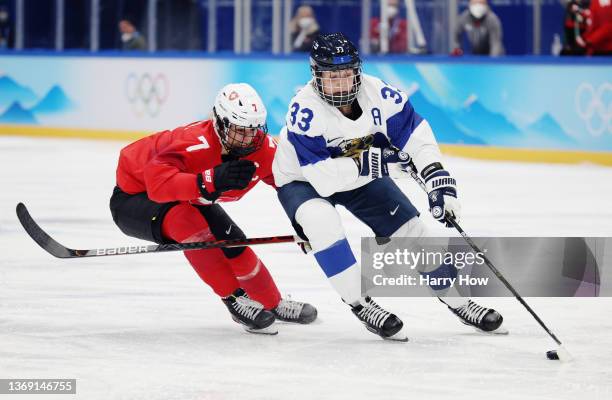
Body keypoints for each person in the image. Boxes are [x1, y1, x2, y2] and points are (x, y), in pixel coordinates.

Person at [272, 33, 506, 341]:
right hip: (303, 180)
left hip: (359, 174)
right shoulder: (304, 109)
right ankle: (360, 302)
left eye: (347, 74)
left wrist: (437, 178)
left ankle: (459, 301)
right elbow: (323, 178)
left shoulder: (380, 93)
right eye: (332, 76)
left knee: (413, 231)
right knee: (323, 224)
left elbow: (415, 133)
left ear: (358, 70)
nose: (342, 84)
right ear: (316, 76)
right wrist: (376, 163)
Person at [110, 83, 317, 335]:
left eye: (253, 130)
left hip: (190, 195)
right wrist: (206, 181)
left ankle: (272, 303)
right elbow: (156, 186)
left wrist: (303, 217)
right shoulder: (193, 143)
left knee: (234, 241)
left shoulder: (262, 149)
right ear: (219, 122)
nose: (247, 139)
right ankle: (234, 299)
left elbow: (286, 184)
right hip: (136, 195)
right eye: (239, 130)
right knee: (189, 225)